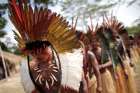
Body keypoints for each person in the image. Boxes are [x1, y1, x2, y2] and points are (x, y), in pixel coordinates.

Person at [9, 0, 84, 93]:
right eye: (32, 50)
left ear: (50, 46)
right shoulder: (29, 69)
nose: (36, 52)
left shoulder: (69, 62)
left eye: (40, 47)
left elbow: (81, 86)